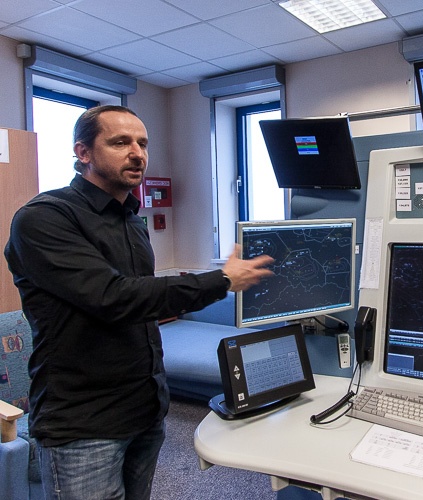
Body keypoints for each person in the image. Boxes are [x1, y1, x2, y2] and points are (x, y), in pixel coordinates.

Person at [4, 105, 274, 500]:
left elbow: (141, 303)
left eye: (143, 144)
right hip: (84, 423)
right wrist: (222, 280)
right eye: (120, 142)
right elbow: (113, 297)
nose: (137, 153)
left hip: (145, 410)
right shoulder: (44, 218)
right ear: (83, 152)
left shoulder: (131, 219)